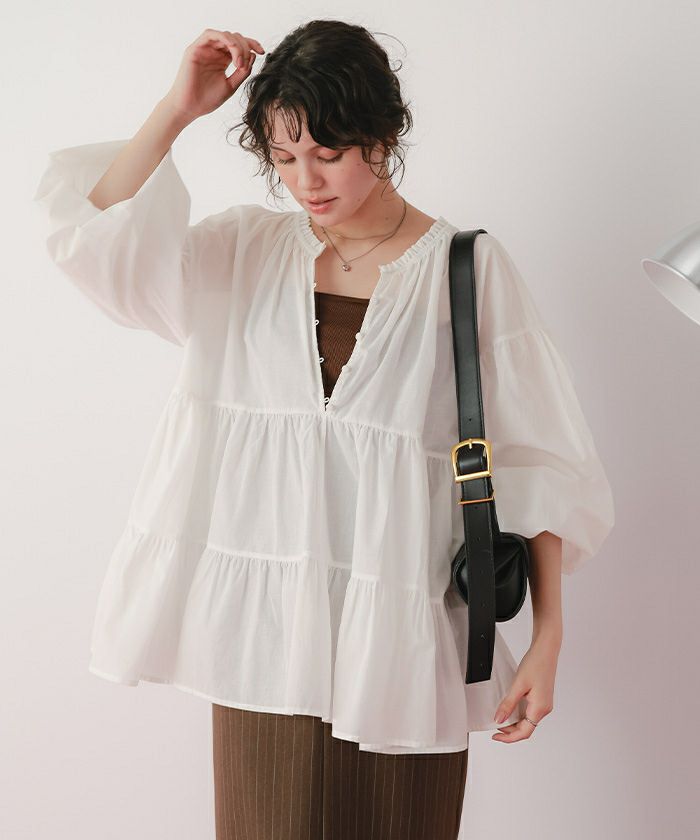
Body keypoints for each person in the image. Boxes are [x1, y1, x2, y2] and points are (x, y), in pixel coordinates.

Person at [32, 19, 615, 840]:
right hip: (264, 644)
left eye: (328, 153)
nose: (305, 180)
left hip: (401, 641)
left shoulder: (466, 269)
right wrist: (177, 109)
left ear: (382, 135)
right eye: (282, 157)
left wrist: (548, 639)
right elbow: (96, 244)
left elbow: (538, 462)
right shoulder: (242, 252)